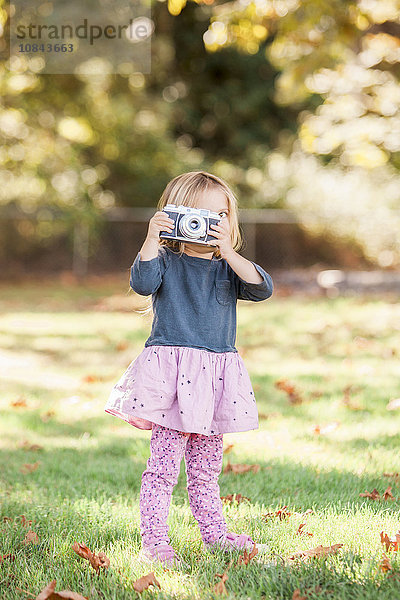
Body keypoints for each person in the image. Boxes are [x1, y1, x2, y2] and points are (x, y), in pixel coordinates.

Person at [104, 170, 274, 569]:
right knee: (163, 468)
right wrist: (151, 238)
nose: (211, 224)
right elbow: (142, 283)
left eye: (222, 214)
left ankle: (216, 536)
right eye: (199, 215)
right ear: (176, 217)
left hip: (213, 380)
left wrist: (229, 252)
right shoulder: (165, 261)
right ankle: (155, 542)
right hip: (171, 380)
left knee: (206, 469)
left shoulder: (228, 269)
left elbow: (262, 288)